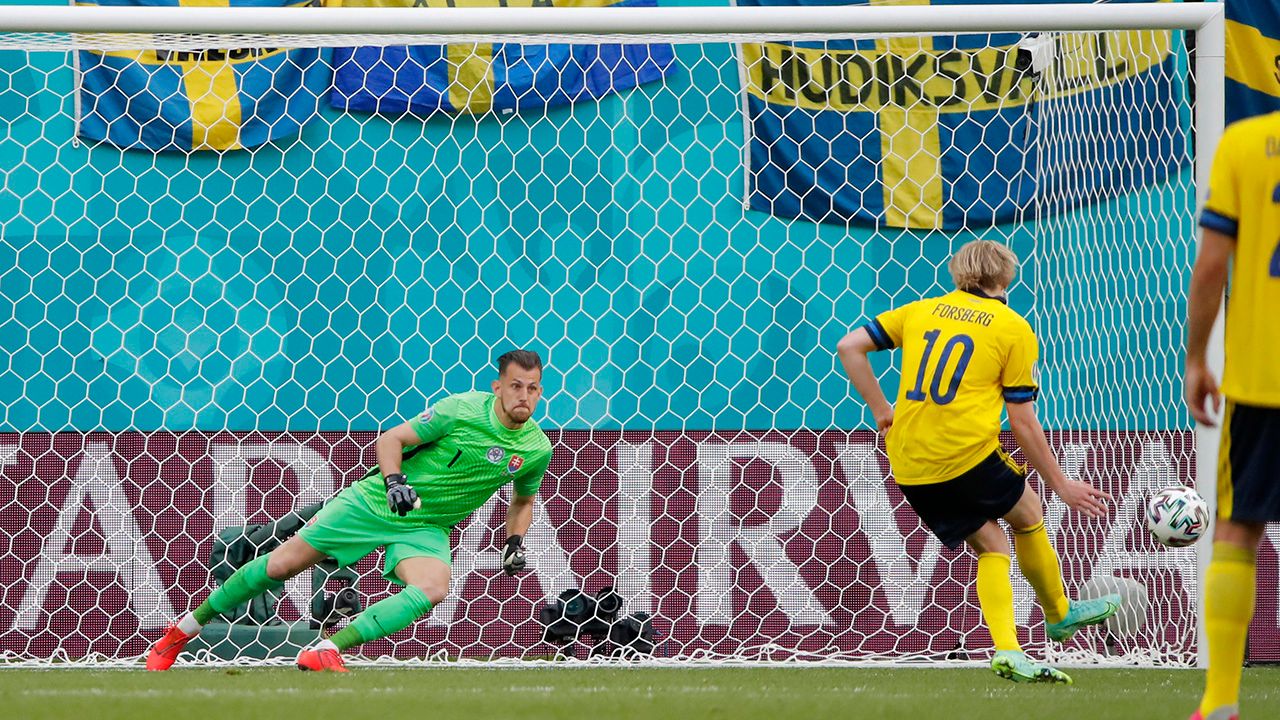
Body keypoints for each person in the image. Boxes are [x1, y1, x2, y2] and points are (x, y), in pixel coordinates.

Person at [145, 349, 553, 672]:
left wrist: (513, 541)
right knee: (280, 567)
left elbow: (523, 500)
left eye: (533, 388)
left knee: (433, 588)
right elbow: (391, 439)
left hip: (426, 525)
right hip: (375, 501)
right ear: (497, 387)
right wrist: (396, 483)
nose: (525, 396)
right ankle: (181, 632)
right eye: (516, 386)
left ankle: (326, 650)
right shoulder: (460, 410)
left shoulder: (536, 448)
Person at [836, 240, 1120, 684]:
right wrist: (1062, 483)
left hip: (909, 459)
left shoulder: (921, 310)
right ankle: (1059, 613)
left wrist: (880, 410)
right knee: (1028, 515)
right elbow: (1022, 422)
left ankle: (1009, 649)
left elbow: (849, 346)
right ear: (1007, 276)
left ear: (958, 274)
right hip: (964, 452)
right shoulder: (1013, 328)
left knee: (991, 544)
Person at [1184, 113, 1280, 720]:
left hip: (1263, 378)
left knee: (1238, 530)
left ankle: (1220, 703)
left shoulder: (1246, 142)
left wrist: (1196, 357)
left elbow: (1213, 264)